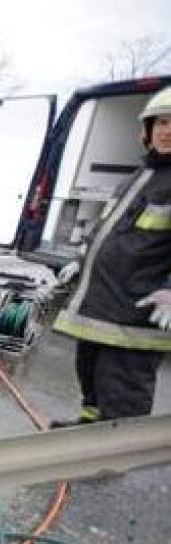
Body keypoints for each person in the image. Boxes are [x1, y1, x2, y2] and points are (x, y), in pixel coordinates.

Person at [50, 86, 171, 425]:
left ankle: (110, 461)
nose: (166, 131)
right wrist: (81, 259)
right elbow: (109, 230)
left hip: (136, 315)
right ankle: (89, 430)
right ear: (147, 130)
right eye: (160, 122)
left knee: (123, 390)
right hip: (103, 306)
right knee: (91, 376)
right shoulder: (140, 177)